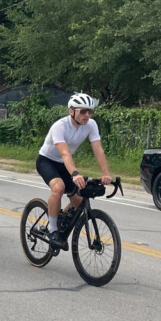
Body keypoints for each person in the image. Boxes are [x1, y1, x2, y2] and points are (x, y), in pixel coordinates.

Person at [36, 93, 112, 250]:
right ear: (72, 111)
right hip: (47, 161)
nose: (87, 115)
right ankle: (52, 229)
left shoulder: (91, 125)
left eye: (89, 111)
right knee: (58, 187)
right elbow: (64, 153)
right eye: (83, 111)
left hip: (64, 164)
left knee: (79, 201)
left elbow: (98, 150)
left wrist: (106, 174)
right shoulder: (60, 126)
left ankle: (61, 220)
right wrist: (75, 174)